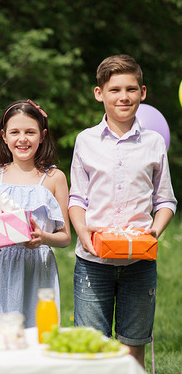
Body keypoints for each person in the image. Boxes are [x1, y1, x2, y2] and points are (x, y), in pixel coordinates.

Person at [69, 54, 176, 367]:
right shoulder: (85, 140)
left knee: (133, 348)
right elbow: (77, 197)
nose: (124, 97)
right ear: (99, 93)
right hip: (93, 261)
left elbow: (165, 199)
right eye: (115, 89)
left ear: (142, 93)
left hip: (139, 262)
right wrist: (82, 231)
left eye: (131, 89)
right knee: (92, 349)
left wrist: (154, 232)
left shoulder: (154, 142)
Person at [0, 99, 71, 328]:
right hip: (0, 266)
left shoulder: (53, 178)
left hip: (37, 267)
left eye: (30, 132)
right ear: (4, 136)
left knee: (36, 330)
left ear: (42, 135)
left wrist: (44, 238)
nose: (22, 139)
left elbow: (66, 237)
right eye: (15, 132)